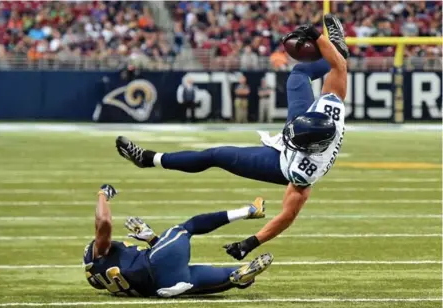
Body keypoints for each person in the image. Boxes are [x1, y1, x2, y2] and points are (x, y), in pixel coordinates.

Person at [115, 14, 348, 261]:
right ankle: (340, 49)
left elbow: (287, 216)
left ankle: (150, 159)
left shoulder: (305, 171)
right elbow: (338, 67)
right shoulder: (330, 106)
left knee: (216, 155)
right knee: (302, 72)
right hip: (305, 122)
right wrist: (318, 36)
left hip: (281, 162)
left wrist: (251, 242)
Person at [84, 184, 273, 297]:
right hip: (157, 264)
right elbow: (104, 222)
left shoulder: (112, 284)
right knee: (186, 227)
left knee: (218, 277)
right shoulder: (100, 254)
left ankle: (236, 278)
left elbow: (142, 272)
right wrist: (102, 195)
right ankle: (248, 211)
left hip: (162, 285)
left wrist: (151, 238)